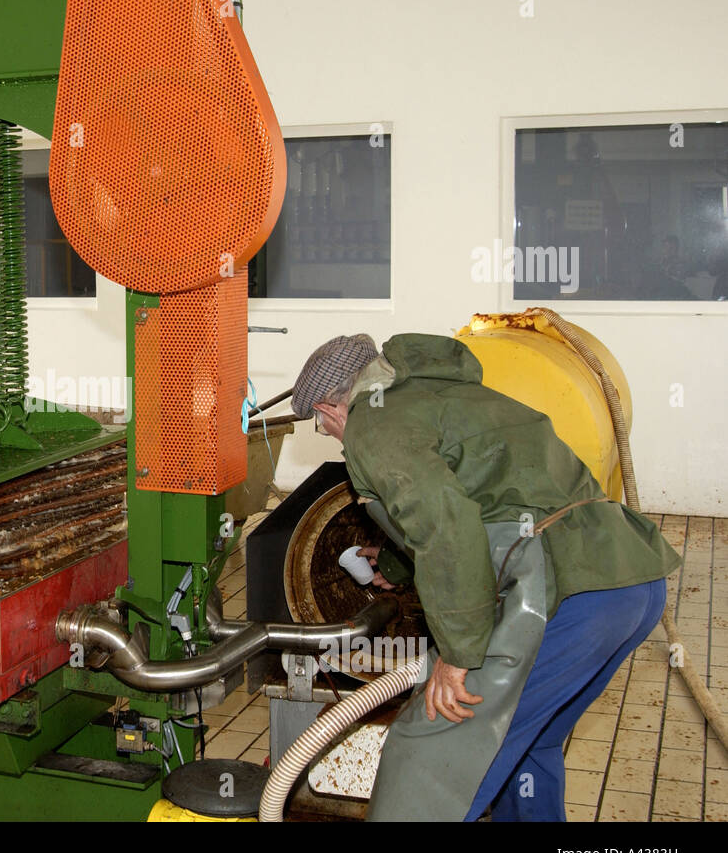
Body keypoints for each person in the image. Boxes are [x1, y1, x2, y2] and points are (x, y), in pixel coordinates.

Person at [289, 332, 681, 821]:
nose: (330, 434)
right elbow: (481, 501)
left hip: (563, 597)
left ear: (331, 407)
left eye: (323, 425)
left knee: (433, 754)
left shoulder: (373, 424)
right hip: (628, 579)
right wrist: (390, 565)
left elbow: (449, 531)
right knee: (527, 742)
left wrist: (457, 657)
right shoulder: (435, 392)